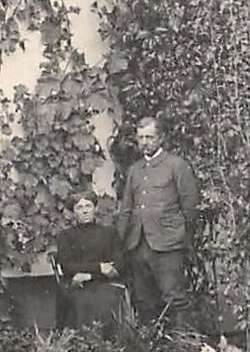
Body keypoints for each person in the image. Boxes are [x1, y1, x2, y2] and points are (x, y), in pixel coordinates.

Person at [116, 116, 200, 324]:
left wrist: (181, 237)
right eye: (141, 138)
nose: (145, 142)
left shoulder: (176, 166)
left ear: (160, 138)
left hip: (168, 245)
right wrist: (119, 243)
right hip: (138, 245)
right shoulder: (135, 170)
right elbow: (126, 209)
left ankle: (183, 349)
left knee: (175, 299)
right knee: (145, 302)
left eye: (150, 137)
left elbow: (190, 208)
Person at [53, 194, 126, 330]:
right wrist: (99, 267)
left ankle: (111, 346)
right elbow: (68, 266)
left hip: (105, 283)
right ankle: (85, 346)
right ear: (74, 212)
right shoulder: (66, 236)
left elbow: (119, 264)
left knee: (107, 301)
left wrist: (90, 275)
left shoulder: (109, 232)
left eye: (88, 206)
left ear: (95, 208)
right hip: (78, 285)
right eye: (79, 207)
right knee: (83, 302)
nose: (85, 211)